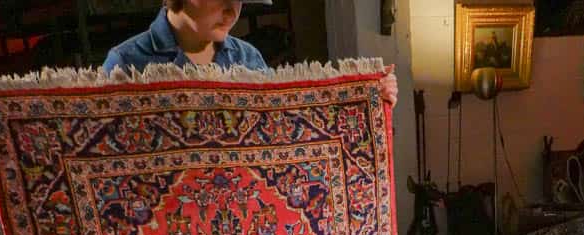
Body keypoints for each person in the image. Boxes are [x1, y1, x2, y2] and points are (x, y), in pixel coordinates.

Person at [102, 0, 399, 107]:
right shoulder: (126, 62)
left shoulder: (247, 58)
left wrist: (368, 98)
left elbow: (286, 126)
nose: (233, 11)